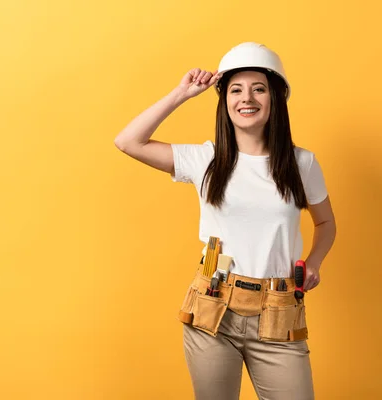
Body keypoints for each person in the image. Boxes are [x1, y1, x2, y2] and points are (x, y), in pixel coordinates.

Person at [114, 42, 336, 400]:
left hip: (279, 310)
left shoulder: (302, 164)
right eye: (236, 90)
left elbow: (326, 223)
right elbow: (127, 141)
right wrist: (181, 94)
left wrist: (314, 262)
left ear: (275, 99)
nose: (247, 98)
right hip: (213, 305)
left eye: (258, 88)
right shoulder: (205, 159)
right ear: (225, 101)